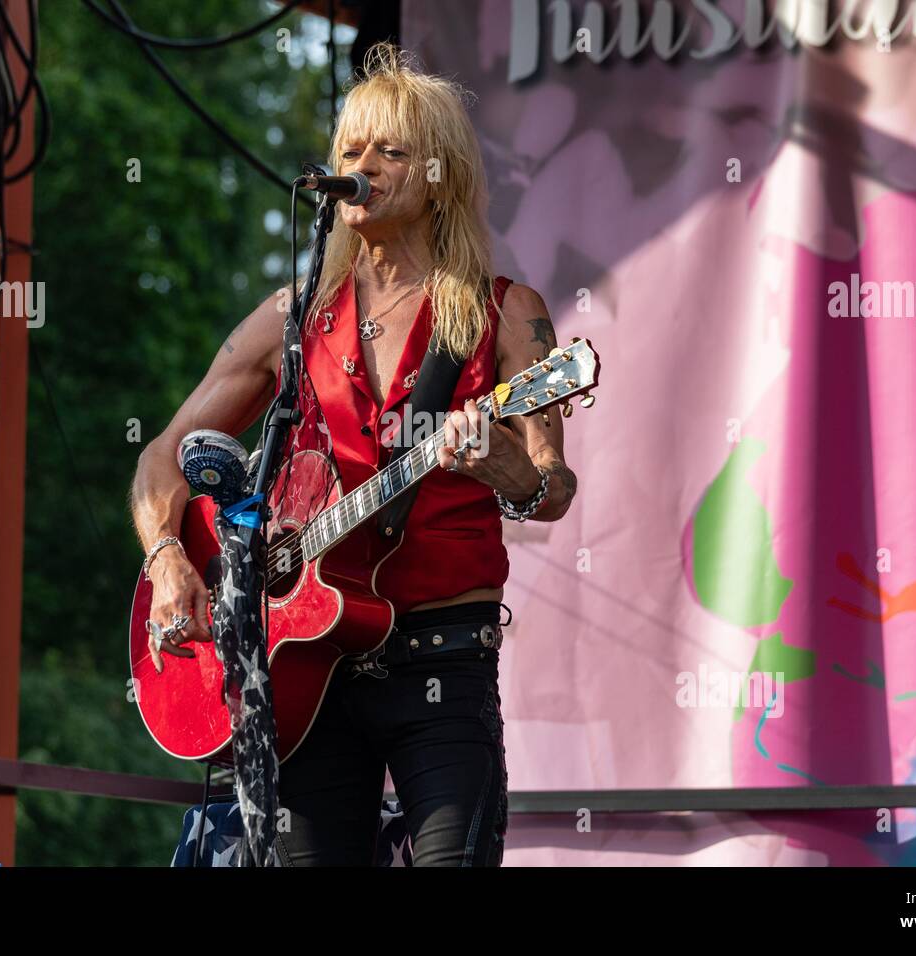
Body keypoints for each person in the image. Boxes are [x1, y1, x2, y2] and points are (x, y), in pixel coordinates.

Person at [129, 43, 577, 866]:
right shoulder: (292, 320)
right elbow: (161, 455)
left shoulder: (508, 317)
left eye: (389, 151)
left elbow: (550, 487)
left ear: (438, 175)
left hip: (443, 661)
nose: (359, 166)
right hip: (308, 670)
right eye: (349, 150)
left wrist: (503, 466)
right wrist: (168, 561)